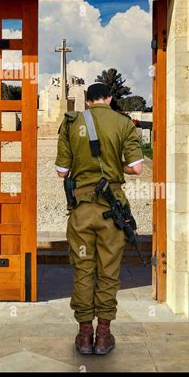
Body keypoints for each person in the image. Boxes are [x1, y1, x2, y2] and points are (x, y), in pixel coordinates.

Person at [55, 82, 144, 355]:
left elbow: (61, 172)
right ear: (109, 98)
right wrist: (115, 166)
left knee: (83, 270)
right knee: (108, 271)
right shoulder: (123, 123)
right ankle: (103, 335)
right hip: (113, 211)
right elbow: (138, 168)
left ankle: (84, 335)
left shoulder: (72, 122)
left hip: (82, 210)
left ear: (88, 101)